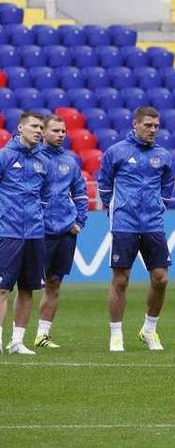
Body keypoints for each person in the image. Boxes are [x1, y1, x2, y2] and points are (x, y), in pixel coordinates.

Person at [98, 106, 174, 352]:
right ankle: (116, 334)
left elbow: (168, 184)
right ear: (135, 124)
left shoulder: (164, 155)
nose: (153, 130)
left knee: (161, 279)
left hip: (153, 223)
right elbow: (105, 184)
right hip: (124, 223)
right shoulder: (116, 152)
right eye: (148, 125)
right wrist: (114, 210)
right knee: (121, 280)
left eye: (156, 126)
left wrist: (160, 204)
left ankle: (149, 329)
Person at [35, 114, 89, 348]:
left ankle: (42, 335)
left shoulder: (70, 160)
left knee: (54, 283)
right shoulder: (33, 158)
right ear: (43, 132)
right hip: (36, 232)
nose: (60, 135)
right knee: (20, 285)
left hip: (65, 231)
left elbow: (80, 193)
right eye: (55, 131)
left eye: (63, 131)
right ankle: (14, 336)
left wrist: (80, 222)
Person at [0, 111, 50, 354]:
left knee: (28, 288)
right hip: (7, 230)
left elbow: (46, 195)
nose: (39, 131)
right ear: (20, 128)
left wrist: (38, 217)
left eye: (41, 127)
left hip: (34, 233)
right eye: (34, 126)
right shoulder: (4, 156)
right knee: (2, 288)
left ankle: (17, 341)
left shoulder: (44, 161)